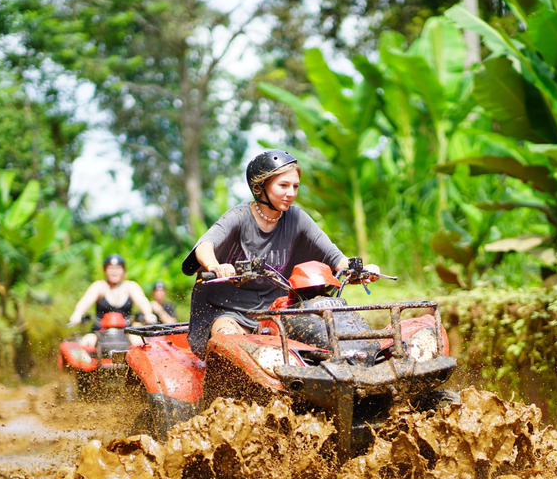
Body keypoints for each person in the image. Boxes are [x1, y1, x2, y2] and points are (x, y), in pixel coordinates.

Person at [181, 149, 379, 358]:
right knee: (228, 340)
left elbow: (336, 258)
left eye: (295, 186)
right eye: (283, 185)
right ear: (260, 187)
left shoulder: (296, 218)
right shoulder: (239, 216)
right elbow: (204, 245)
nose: (291, 193)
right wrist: (215, 266)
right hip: (229, 310)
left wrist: (362, 270)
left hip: (277, 310)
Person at [69, 254, 158, 329]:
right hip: (100, 331)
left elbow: (141, 300)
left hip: (126, 331)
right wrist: (78, 313)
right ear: (104, 270)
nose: (114, 272)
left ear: (124, 270)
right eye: (110, 268)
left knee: (139, 343)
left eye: (118, 268)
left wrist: (148, 314)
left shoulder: (131, 286)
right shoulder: (99, 286)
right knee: (85, 343)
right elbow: (87, 300)